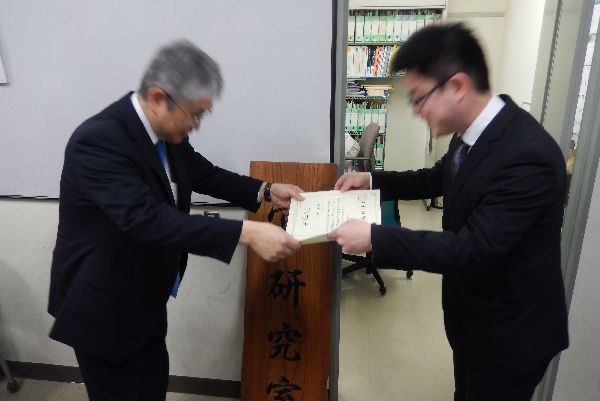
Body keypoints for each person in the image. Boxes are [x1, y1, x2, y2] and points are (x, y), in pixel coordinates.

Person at [47, 40, 304, 401]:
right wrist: (246, 232)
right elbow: (147, 219)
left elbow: (201, 172)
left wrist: (265, 190)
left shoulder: (166, 133)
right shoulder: (98, 141)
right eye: (195, 114)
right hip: (104, 307)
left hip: (145, 297)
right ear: (157, 98)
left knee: (151, 387)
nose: (196, 125)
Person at [329, 23, 569, 401]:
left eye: (419, 98)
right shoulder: (472, 131)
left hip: (509, 336)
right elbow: (433, 179)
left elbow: (474, 249)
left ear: (457, 86)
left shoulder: (526, 156)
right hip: (474, 321)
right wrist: (371, 180)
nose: (416, 111)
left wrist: (375, 237)